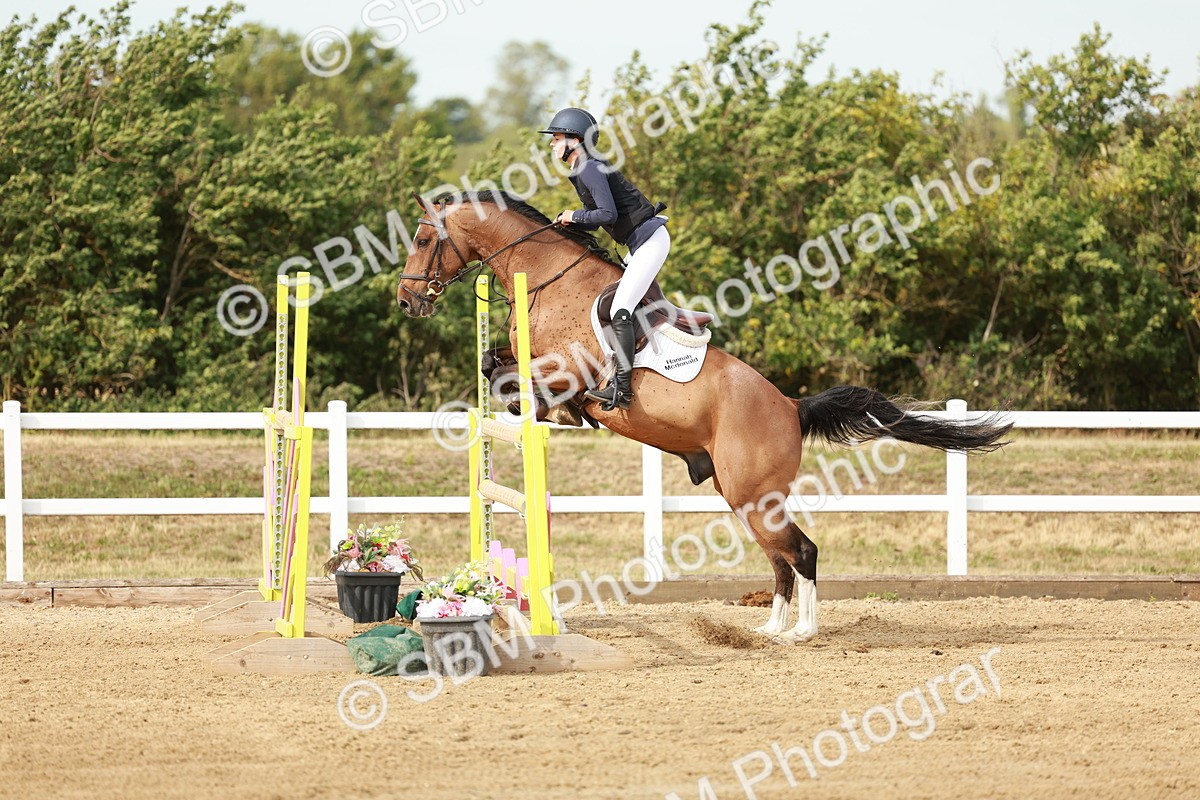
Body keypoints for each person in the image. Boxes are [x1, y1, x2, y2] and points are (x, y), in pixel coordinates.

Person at [538, 107, 669, 411]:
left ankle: (622, 389)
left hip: (650, 241)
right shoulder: (583, 168)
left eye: (556, 138)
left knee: (621, 308)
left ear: (574, 140)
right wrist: (569, 222)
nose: (552, 144)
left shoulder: (590, 167)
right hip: (639, 244)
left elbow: (607, 214)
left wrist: (574, 215)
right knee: (610, 304)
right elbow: (597, 220)